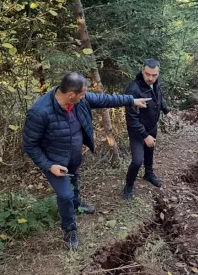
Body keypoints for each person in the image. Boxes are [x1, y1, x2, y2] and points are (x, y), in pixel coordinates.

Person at [23, 72, 150, 249]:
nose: (85, 97)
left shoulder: (79, 99)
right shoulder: (40, 112)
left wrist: (131, 100)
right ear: (71, 94)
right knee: (65, 194)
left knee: (74, 178)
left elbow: (104, 100)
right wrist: (49, 165)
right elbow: (30, 145)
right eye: (82, 94)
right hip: (54, 161)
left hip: (73, 155)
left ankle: (76, 204)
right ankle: (70, 229)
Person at [123, 59, 172, 200]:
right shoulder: (134, 89)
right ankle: (128, 186)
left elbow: (158, 97)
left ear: (158, 73)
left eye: (154, 75)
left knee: (150, 151)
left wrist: (166, 110)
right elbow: (131, 119)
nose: (150, 78)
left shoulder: (156, 83)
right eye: (147, 74)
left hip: (152, 125)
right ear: (142, 71)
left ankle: (148, 173)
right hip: (138, 130)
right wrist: (145, 135)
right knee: (137, 160)